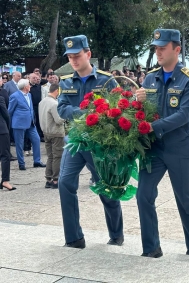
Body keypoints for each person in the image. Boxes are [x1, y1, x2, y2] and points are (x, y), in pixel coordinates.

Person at [134, 29, 189, 258]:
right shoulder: (150, 77)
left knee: (184, 197)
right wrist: (138, 102)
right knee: (143, 194)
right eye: (156, 48)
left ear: (177, 49)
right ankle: (151, 247)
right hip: (153, 148)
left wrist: (153, 127)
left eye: (163, 48)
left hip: (179, 147)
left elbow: (184, 115)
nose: (158, 52)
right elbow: (142, 111)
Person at [57, 35, 124, 249]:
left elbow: (118, 107)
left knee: (106, 188)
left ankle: (116, 234)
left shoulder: (106, 80)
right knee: (65, 183)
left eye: (77, 56)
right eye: (70, 57)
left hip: (99, 144)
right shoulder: (66, 81)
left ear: (88, 54)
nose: (73, 61)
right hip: (75, 140)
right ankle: (74, 237)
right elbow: (61, 109)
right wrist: (84, 112)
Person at [8, 79, 46, 171]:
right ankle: (21, 163)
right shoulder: (15, 96)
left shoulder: (29, 94)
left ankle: (37, 161)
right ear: (25, 87)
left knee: (36, 140)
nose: (30, 86)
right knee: (19, 144)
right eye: (29, 84)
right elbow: (10, 111)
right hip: (19, 124)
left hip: (31, 123)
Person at [39, 83, 65, 189]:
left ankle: (48, 178)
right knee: (57, 156)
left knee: (50, 156)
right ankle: (55, 179)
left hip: (46, 131)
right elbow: (58, 120)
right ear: (57, 91)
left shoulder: (42, 102)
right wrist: (66, 116)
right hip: (56, 133)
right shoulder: (54, 103)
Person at [0, 93, 15, 191]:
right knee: (5, 155)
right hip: (1, 130)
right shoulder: (0, 98)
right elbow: (6, 114)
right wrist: (7, 127)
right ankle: (5, 180)